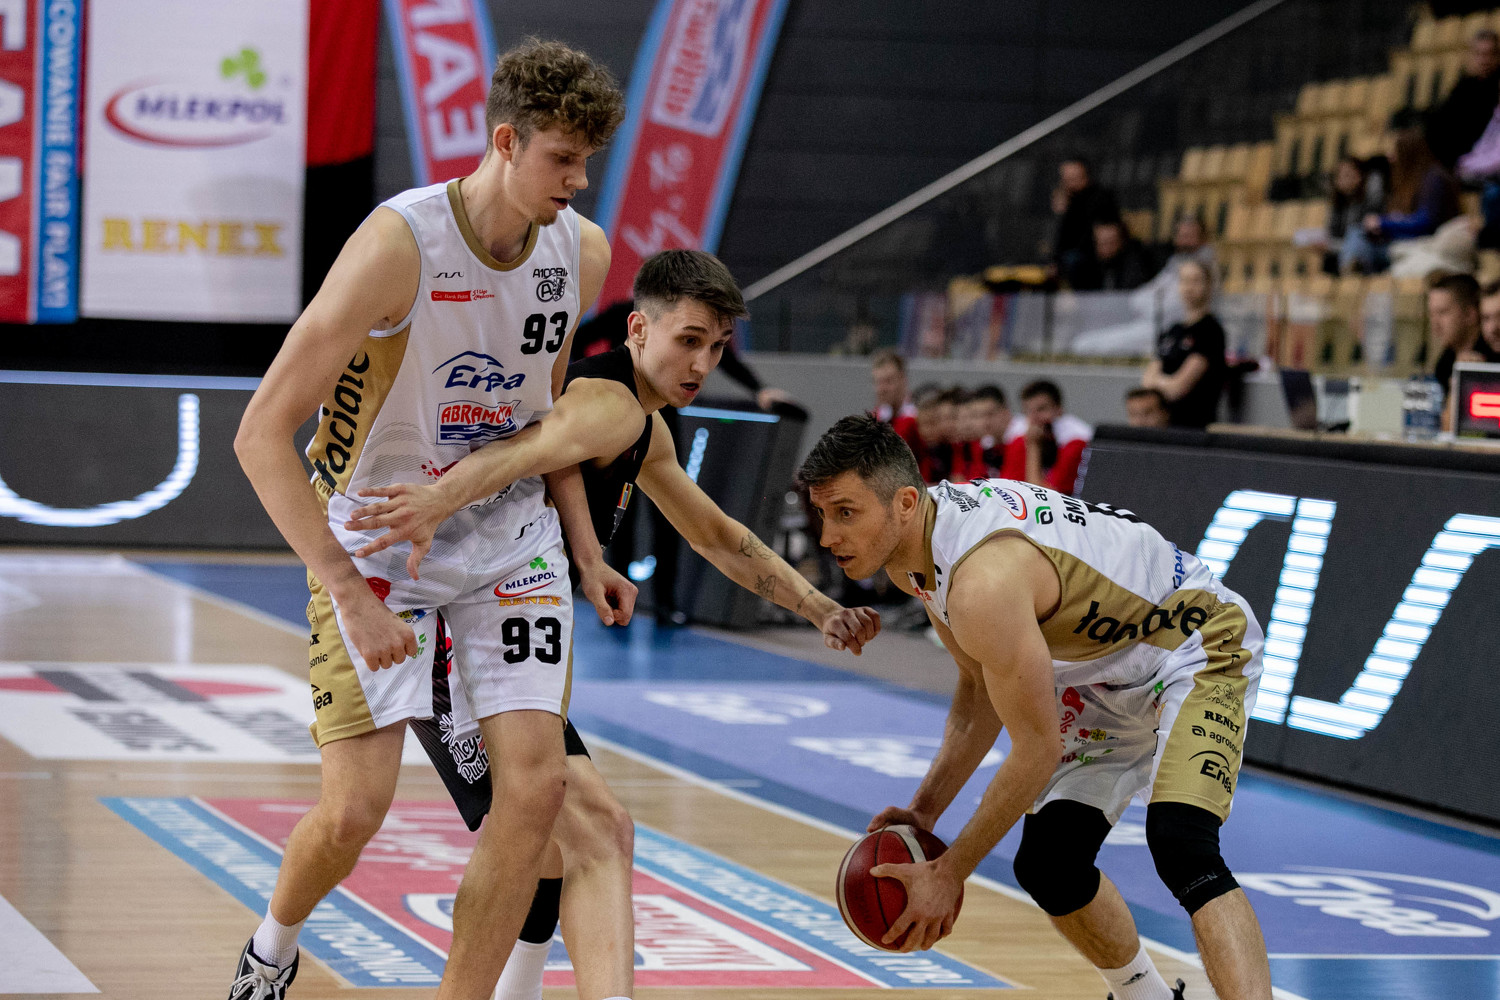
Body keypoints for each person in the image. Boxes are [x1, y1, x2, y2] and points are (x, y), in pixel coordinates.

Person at [341, 250, 882, 1000]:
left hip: (503, 625)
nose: (703, 363)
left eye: (717, 346)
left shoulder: (645, 427)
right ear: (638, 329)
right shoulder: (609, 402)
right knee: (592, 828)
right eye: (688, 340)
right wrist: (438, 501)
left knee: (553, 838)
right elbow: (527, 451)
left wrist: (820, 607)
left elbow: (717, 536)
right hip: (450, 627)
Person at [226, 39, 626, 1000]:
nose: (578, 182)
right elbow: (259, 434)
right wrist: (348, 591)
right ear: (505, 141)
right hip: (376, 540)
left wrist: (585, 549)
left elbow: (544, 424)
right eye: (562, 159)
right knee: (353, 813)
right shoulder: (398, 244)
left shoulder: (581, 250)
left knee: (538, 792)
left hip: (508, 539)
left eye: (587, 162)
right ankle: (271, 949)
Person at [799, 414, 1271, 1000]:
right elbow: (979, 689)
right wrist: (924, 812)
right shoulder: (914, 549)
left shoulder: (982, 582)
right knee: (1050, 863)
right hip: (1101, 672)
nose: (827, 536)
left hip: (1194, 643)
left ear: (903, 502)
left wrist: (950, 872)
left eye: (845, 513)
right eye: (822, 513)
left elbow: (1037, 750)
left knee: (1183, 846)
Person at [1346, 130, 1460, 274]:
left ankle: (1354, 277)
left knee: (1358, 237)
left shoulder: (1433, 178)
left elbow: (1425, 222)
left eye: (1395, 151)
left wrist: (1383, 223)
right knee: (1358, 234)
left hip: (1423, 243)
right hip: (1402, 241)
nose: (1390, 157)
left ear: (1408, 153)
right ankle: (1354, 277)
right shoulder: (1409, 180)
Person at [1141, 260, 1227, 429]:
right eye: (1184, 280)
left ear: (1209, 285)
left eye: (1196, 281)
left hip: (1194, 425)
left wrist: (1160, 384)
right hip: (1165, 425)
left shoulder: (1210, 330)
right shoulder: (1172, 331)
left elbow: (1178, 388)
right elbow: (1147, 382)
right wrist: (1164, 384)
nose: (1189, 288)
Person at [1429, 273, 1500, 429]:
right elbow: (1447, 427)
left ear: (1470, 315)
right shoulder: (1446, 361)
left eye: (1443, 312)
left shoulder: (1491, 355)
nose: (1435, 323)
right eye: (1486, 318)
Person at [1000, 381, 1093, 496]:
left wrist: (1033, 447)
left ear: (1058, 409)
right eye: (1028, 411)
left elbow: (1047, 496)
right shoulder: (1022, 439)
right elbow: (1006, 489)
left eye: (1041, 409)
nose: (1034, 418)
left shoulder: (1075, 442)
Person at [1425, 28, 1500, 171]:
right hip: (1457, 158)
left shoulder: (1497, 88)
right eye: (1479, 54)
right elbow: (1441, 120)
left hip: (1486, 160)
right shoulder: (1465, 86)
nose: (1484, 60)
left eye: (1489, 54)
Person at [1050, 157, 1121, 288]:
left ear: (1084, 176)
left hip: (1090, 257)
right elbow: (1060, 238)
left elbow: (1100, 234)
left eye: (1074, 178)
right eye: (1066, 179)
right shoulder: (1065, 200)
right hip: (1069, 256)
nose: (1070, 184)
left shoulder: (1100, 198)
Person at [1072, 219, 1152, 292]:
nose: (1107, 248)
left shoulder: (1133, 266)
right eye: (1103, 243)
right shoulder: (1084, 269)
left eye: (1112, 242)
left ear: (1121, 242)